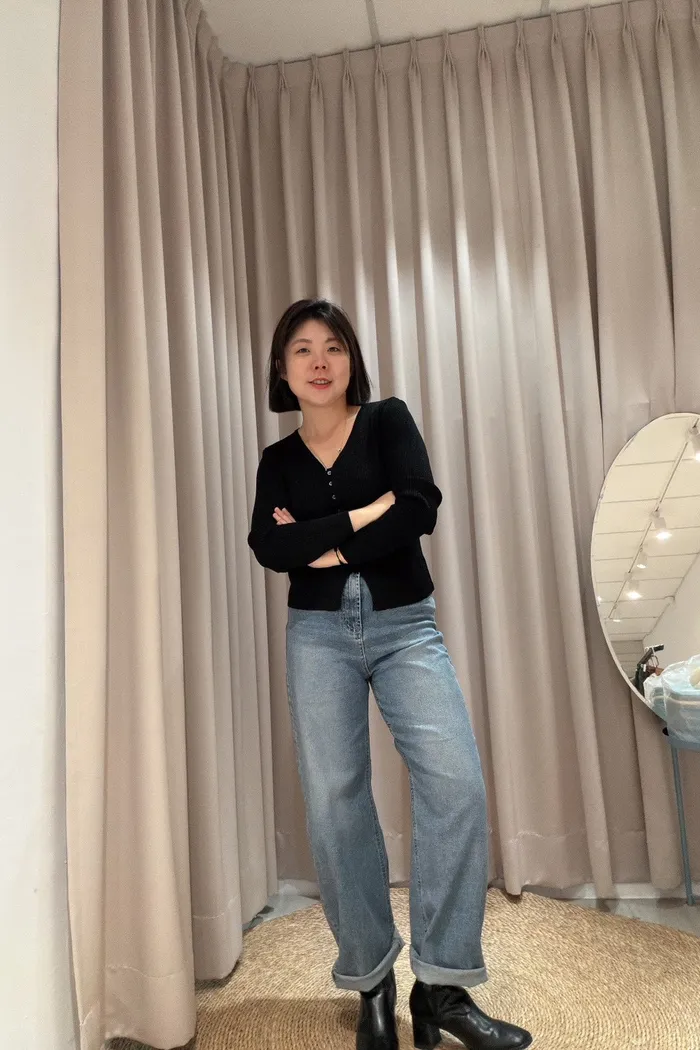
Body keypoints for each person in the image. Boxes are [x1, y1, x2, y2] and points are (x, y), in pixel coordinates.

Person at [247, 298, 532, 1050]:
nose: (319, 361)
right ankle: (371, 981)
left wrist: (327, 545)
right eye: (302, 349)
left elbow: (419, 508)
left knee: (456, 785)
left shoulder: (387, 420)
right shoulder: (278, 462)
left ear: (351, 360)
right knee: (335, 805)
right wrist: (362, 516)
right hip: (318, 637)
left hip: (405, 626)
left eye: (333, 347)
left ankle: (440, 987)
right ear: (282, 369)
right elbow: (269, 548)